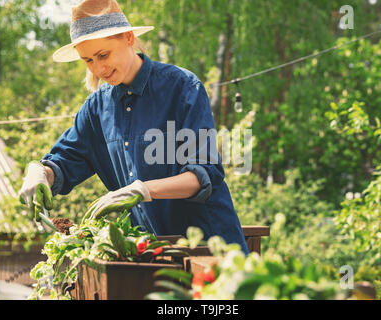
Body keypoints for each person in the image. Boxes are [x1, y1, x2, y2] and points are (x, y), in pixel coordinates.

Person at [18, 0, 249, 255]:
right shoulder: (97, 108)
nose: (99, 68)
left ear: (128, 38)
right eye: (88, 60)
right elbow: (64, 161)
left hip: (210, 250)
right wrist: (39, 172)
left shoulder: (182, 88)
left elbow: (201, 176)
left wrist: (143, 190)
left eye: (103, 55)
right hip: (151, 256)